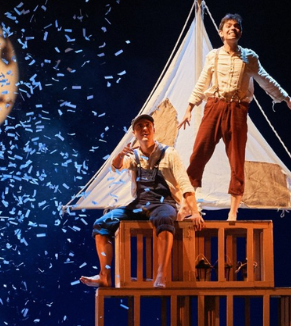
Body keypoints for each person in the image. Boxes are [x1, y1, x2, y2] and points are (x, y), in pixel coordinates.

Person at [178, 12, 291, 219]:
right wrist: (189, 108)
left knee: (237, 160)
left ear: (240, 33)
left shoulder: (249, 57)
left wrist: (286, 98)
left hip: (237, 109)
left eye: (236, 26)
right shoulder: (214, 56)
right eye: (228, 26)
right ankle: (186, 204)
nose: (232, 28)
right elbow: (202, 82)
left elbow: (266, 79)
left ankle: (233, 211)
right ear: (220, 32)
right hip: (215, 106)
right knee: (199, 152)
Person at [81, 113, 205, 288]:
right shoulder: (134, 155)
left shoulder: (169, 153)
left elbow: (185, 184)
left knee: (165, 218)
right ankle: (104, 276)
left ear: (154, 129)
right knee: (101, 224)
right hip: (140, 204)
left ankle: (161, 275)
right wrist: (120, 155)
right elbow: (117, 166)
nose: (144, 128)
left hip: (163, 203)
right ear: (134, 133)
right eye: (140, 126)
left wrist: (195, 211)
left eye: (148, 125)